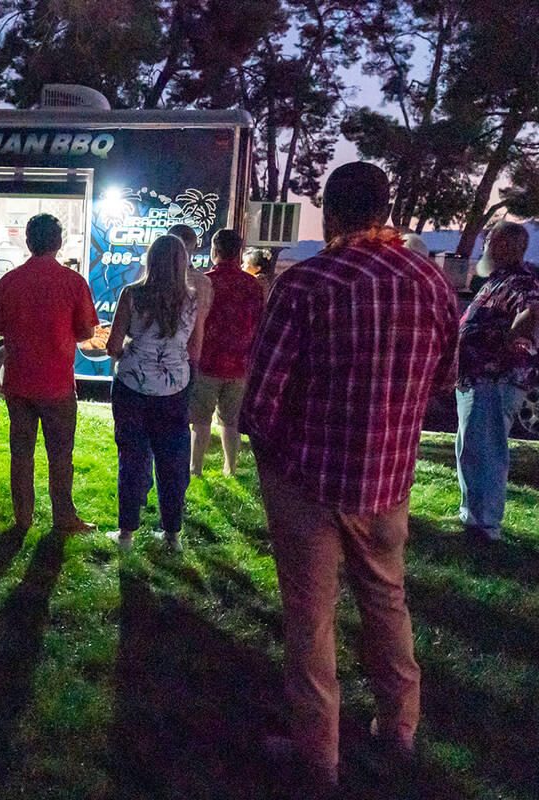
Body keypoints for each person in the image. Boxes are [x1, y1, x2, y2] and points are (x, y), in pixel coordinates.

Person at [239, 162, 458, 789]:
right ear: (384, 210)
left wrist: (279, 453)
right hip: (388, 481)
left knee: (311, 621)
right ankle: (400, 730)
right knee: (388, 603)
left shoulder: (306, 283)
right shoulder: (432, 283)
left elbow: (261, 403)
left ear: (331, 214)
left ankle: (319, 756)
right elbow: (445, 380)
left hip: (308, 481)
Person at [0, 213, 97, 535]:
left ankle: (23, 517)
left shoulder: (10, 280)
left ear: (28, 241)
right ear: (59, 243)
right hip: (58, 383)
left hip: (18, 380)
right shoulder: (74, 282)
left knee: (21, 453)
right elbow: (87, 331)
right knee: (61, 454)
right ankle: (64, 517)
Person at [105, 235, 199, 551]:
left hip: (132, 388)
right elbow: (194, 348)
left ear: (150, 260)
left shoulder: (132, 295)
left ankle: (126, 534)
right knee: (172, 461)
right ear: (182, 263)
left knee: (132, 458)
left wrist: (131, 351)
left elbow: (113, 346)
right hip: (175, 389)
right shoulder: (192, 300)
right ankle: (172, 535)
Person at [454, 221, 539, 545]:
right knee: (471, 449)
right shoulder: (498, 280)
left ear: (505, 245)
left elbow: (532, 312)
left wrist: (507, 343)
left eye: (489, 239)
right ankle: (472, 515)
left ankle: (485, 526)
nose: (484, 245)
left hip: (494, 378)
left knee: (486, 450)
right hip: (478, 378)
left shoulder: (522, 281)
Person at [189, 229, 264, 477]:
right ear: (239, 252)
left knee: (200, 422)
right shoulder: (252, 285)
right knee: (230, 422)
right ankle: (230, 469)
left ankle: (195, 470)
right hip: (240, 366)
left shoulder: (205, 281)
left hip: (207, 362)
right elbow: (260, 323)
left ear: (215, 251)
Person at [167, 223, 213, 366]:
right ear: (195, 247)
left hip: (153, 357)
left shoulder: (155, 278)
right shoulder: (204, 282)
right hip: (189, 356)